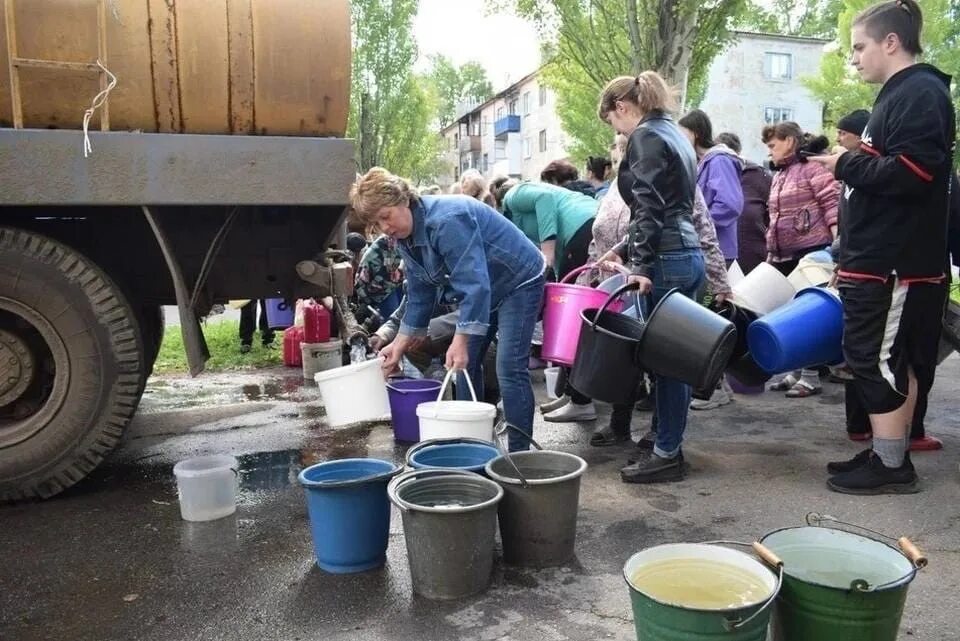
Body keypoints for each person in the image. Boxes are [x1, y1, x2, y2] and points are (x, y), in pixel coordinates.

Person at [807, 0, 955, 494]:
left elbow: (914, 172)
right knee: (888, 359)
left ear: (891, 42)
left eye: (859, 47)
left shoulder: (921, 92)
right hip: (880, 259)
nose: (853, 59)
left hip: (895, 263)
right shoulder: (901, 95)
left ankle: (893, 467)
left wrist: (844, 165)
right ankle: (886, 450)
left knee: (874, 360)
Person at [350, 168, 545, 451]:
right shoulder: (405, 237)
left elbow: (474, 285)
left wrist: (460, 339)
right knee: (463, 363)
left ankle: (519, 452)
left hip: (519, 278)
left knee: (508, 367)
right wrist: (399, 345)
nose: (385, 228)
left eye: (385, 216)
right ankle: (473, 442)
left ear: (403, 199)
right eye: (376, 224)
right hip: (486, 285)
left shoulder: (447, 220)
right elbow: (419, 292)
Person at [596, 71, 706, 483]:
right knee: (675, 355)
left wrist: (638, 264)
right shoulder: (676, 133)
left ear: (621, 108)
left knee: (668, 361)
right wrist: (625, 248)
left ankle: (667, 452)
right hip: (685, 250)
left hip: (665, 258)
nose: (617, 131)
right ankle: (664, 437)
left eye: (612, 121)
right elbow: (668, 207)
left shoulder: (644, 136)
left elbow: (648, 206)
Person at [500, 181, 598, 423]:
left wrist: (547, 251)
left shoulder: (514, 195)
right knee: (571, 317)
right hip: (582, 231)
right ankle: (572, 393)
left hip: (583, 228)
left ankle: (581, 402)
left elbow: (544, 198)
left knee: (575, 320)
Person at [762, 122, 840, 398]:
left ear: (790, 141)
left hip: (812, 250)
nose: (770, 152)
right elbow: (774, 218)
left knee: (807, 316)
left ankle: (810, 376)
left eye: (773, 145)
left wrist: (837, 248)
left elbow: (832, 205)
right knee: (791, 312)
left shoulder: (813, 168)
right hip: (784, 254)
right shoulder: (781, 174)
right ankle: (795, 371)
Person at [678, 110, 744, 266]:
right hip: (705, 247)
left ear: (695, 133)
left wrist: (695, 226)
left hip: (718, 250)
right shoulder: (701, 164)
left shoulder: (719, 161)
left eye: (682, 135)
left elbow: (729, 204)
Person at [716, 132, 772, 275]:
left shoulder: (760, 177)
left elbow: (773, 217)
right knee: (711, 297)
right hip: (719, 259)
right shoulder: (711, 174)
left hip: (753, 259)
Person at [354, 233, 404, 320]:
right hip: (375, 287)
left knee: (404, 308)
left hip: (390, 281)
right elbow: (386, 276)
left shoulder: (398, 239)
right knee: (393, 317)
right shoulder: (387, 245)